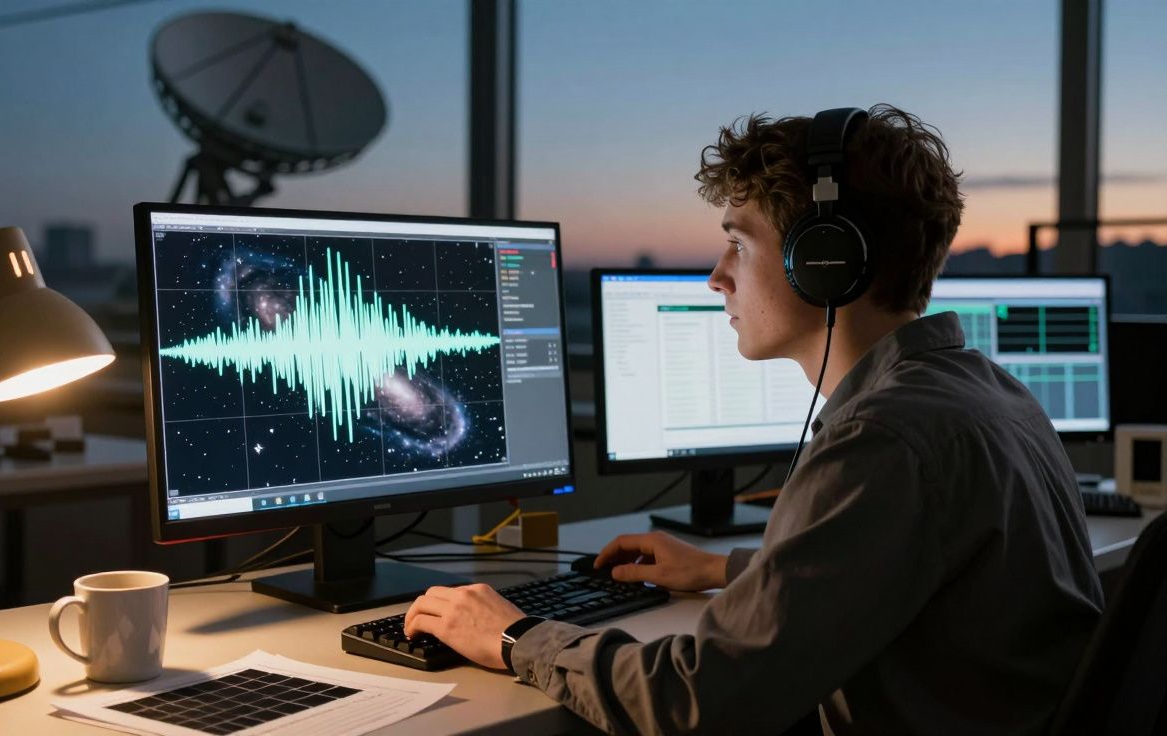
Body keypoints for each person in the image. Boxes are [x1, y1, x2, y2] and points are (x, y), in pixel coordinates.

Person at [402, 104, 1104, 735]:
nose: (715, 276)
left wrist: (514, 636)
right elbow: (884, 578)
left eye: (738, 242)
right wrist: (726, 567)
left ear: (826, 263)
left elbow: (698, 704)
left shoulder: (882, 440)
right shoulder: (986, 390)